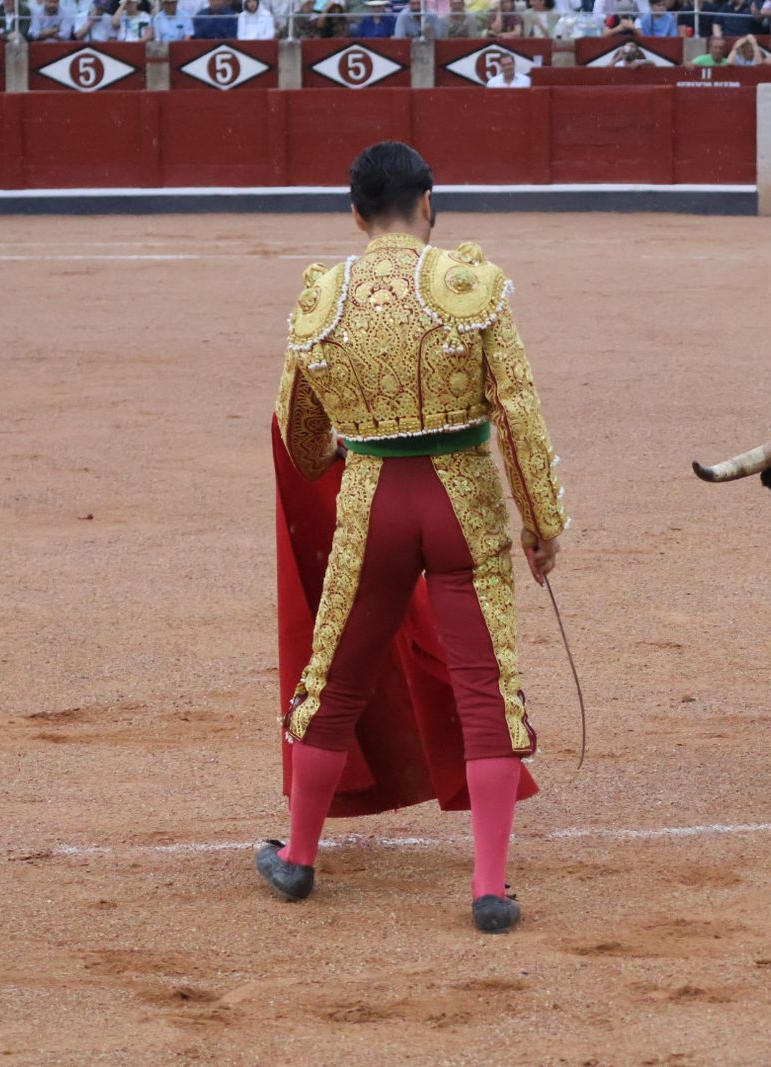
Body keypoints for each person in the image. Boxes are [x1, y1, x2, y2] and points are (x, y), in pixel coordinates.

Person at [262, 142, 567, 935]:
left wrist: (342, 454)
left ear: (355, 212)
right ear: (429, 200)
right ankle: (490, 888)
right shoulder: (472, 286)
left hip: (372, 505)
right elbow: (518, 417)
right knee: (485, 686)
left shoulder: (322, 298)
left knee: (335, 677)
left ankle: (298, 859)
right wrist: (543, 526)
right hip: (461, 501)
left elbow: (299, 433)